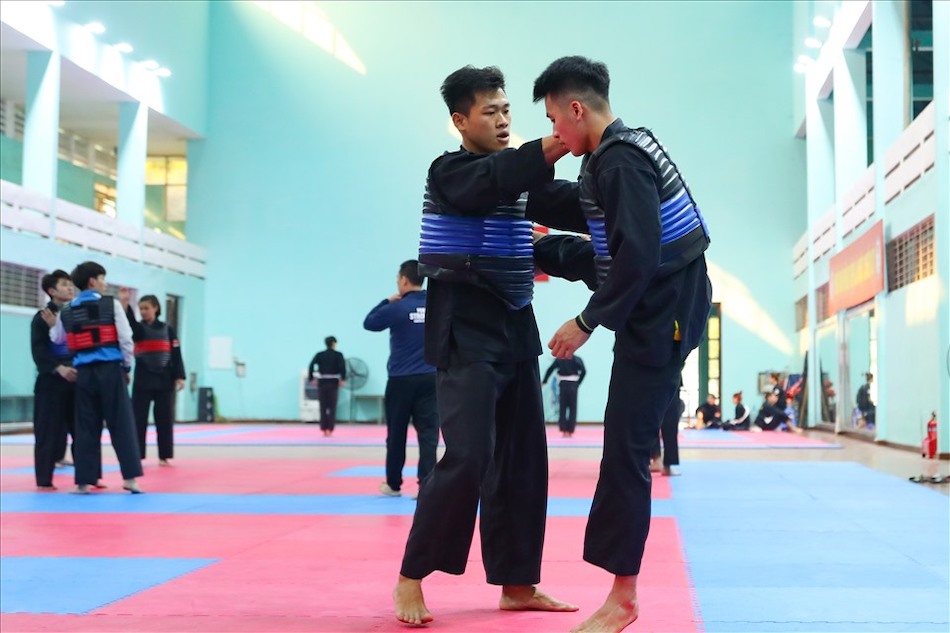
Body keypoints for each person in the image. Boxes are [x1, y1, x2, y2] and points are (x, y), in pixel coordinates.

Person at [530, 56, 712, 633]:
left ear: (577, 109)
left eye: (556, 120)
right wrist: (508, 187)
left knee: (627, 450)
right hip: (658, 302)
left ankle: (624, 596)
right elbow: (583, 209)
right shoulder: (616, 153)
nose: (555, 134)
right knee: (624, 446)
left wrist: (585, 322)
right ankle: (621, 591)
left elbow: (634, 256)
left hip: (663, 311)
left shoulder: (623, 162)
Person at [392, 65, 578, 626]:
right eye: (490, 112)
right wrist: (556, 142)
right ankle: (411, 576)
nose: (502, 121)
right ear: (460, 120)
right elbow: (493, 180)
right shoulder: (449, 172)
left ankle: (518, 583)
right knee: (469, 456)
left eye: (506, 111)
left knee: (523, 462)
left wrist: (618, 182)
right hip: (464, 331)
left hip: (515, 330)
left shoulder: (518, 177)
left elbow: (568, 203)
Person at [43, 261, 143, 494]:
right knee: (122, 424)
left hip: (84, 374)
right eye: (102, 278)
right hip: (110, 369)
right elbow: (126, 340)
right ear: (92, 282)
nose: (105, 283)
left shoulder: (66, 311)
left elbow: (57, 338)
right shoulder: (112, 305)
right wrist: (126, 368)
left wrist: (52, 325)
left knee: (86, 426)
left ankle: (83, 482)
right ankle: (130, 479)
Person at [363, 260, 439, 498]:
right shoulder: (437, 306)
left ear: (404, 280)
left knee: (396, 434)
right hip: (431, 378)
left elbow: (369, 323)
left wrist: (387, 301)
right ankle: (426, 485)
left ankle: (394, 484)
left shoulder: (397, 308)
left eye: (398, 279)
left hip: (401, 380)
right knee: (428, 434)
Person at [121, 292, 186, 465]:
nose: (143, 312)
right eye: (140, 308)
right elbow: (131, 325)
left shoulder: (167, 329)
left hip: (165, 378)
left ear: (156, 308)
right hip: (144, 378)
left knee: (164, 419)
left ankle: (164, 456)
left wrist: (179, 376)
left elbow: (176, 354)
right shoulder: (139, 329)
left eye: (146, 308)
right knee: (138, 419)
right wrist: (126, 306)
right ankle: (138, 455)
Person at [30, 270, 76, 490]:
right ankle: (44, 479)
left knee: (83, 429)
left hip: (77, 379)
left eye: (71, 284)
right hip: (51, 382)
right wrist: (59, 368)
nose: (70, 288)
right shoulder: (41, 317)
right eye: (65, 284)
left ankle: (89, 476)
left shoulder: (76, 314)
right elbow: (38, 352)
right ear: (52, 291)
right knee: (47, 432)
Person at [308, 337, 346, 437]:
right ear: (333, 343)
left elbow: (311, 365)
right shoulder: (338, 355)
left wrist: (311, 378)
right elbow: (343, 367)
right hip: (333, 382)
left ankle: (324, 429)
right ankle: (330, 429)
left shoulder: (319, 354)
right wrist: (343, 379)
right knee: (332, 407)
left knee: (323, 407)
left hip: (322, 382)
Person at [542, 355, 586, 437]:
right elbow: (584, 371)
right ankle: (570, 431)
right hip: (573, 385)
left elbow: (550, 369)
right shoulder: (577, 359)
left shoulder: (559, 359)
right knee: (573, 408)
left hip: (563, 384)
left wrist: (544, 381)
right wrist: (578, 383)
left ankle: (564, 430)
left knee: (563, 407)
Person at [650, 385, 684, 476]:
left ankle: (656, 458)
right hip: (668, 377)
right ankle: (666, 464)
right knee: (669, 420)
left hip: (651, 378)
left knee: (651, 418)